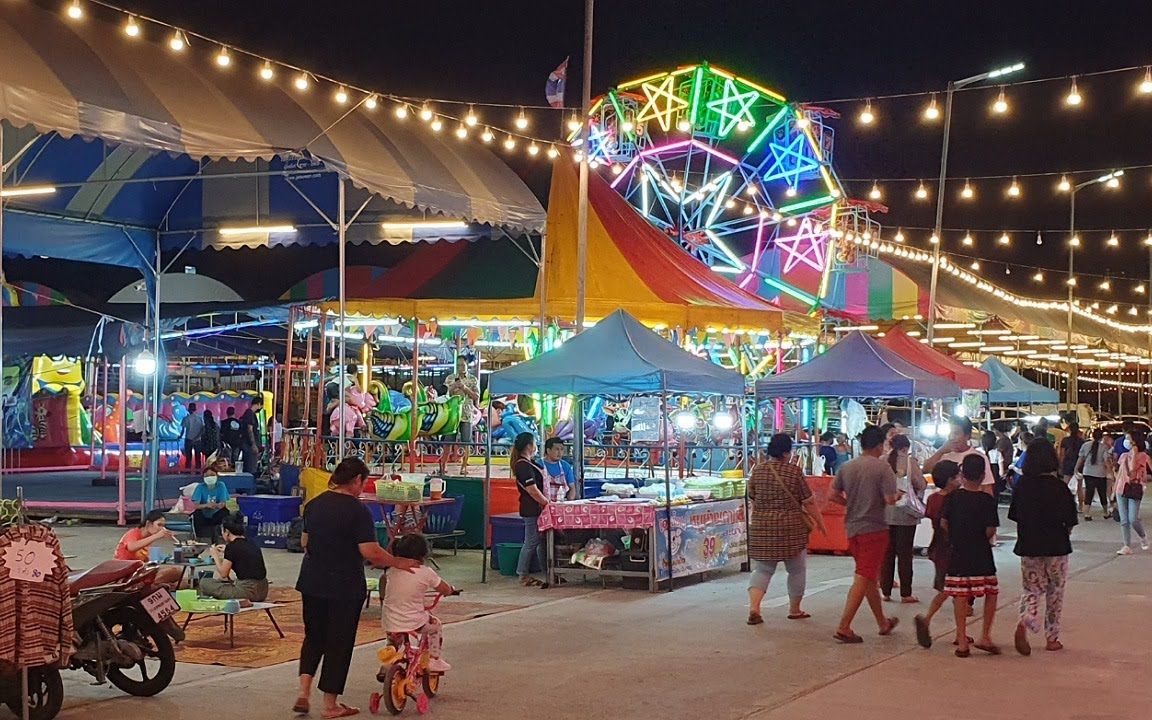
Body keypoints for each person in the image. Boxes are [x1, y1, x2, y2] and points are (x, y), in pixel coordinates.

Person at [294, 457, 418, 719]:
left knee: (314, 637)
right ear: (356, 481)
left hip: (312, 580)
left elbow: (305, 541)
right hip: (343, 585)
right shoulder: (357, 511)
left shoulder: (314, 505)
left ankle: (303, 692)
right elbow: (370, 551)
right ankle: (330, 705)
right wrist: (397, 562)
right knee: (339, 643)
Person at [830, 426, 900, 644]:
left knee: (869, 577)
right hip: (875, 528)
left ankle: (882, 622)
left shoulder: (847, 466)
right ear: (880, 445)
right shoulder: (883, 468)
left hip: (852, 528)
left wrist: (850, 503)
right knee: (863, 577)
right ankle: (844, 626)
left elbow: (832, 495)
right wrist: (898, 495)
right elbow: (889, 499)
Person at [747, 434, 825, 626]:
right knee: (797, 569)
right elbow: (808, 502)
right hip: (791, 528)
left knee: (763, 569)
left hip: (762, 527)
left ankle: (755, 608)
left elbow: (752, 497)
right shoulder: (794, 472)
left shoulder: (757, 470)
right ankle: (794, 609)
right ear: (786, 452)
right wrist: (820, 523)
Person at [1008, 438, 1077, 655]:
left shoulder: (1022, 487)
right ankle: (1052, 637)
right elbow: (1070, 521)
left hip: (1029, 545)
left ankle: (1025, 620)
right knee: (1055, 592)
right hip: (1056, 546)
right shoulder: (1060, 488)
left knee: (1031, 588)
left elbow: (1015, 516)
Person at [941, 454, 1001, 657]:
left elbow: (944, 523)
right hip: (981, 551)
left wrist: (956, 536)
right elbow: (991, 529)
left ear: (962, 474)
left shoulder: (952, 498)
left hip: (958, 550)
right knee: (990, 592)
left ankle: (962, 639)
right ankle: (985, 636)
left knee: (960, 595)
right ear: (983, 475)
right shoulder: (987, 500)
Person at [381, 534, 455, 674]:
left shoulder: (391, 570)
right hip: (414, 621)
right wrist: (450, 591)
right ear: (423, 554)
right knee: (435, 625)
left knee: (394, 641)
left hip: (390, 620)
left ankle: (387, 665)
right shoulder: (426, 572)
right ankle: (434, 659)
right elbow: (443, 588)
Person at [914, 459, 962, 648]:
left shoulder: (933, 498)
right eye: (957, 476)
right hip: (953, 549)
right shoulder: (956, 499)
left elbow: (929, 515)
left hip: (937, 549)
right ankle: (931, 621)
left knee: (949, 590)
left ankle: (959, 632)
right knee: (955, 592)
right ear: (951, 480)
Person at [881, 434, 927, 604]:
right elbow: (921, 484)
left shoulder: (881, 460)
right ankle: (906, 594)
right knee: (905, 554)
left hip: (885, 513)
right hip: (905, 514)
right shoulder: (910, 462)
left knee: (887, 554)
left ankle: (885, 592)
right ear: (905, 448)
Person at [201, 514, 269, 602]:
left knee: (205, 583)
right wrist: (227, 552)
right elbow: (241, 555)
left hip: (247, 591)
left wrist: (215, 555)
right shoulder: (251, 543)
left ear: (227, 532)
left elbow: (223, 574)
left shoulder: (232, 547)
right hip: (263, 590)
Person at [512, 432, 549, 588]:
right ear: (529, 445)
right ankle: (522, 574)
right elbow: (532, 489)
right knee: (531, 542)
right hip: (531, 508)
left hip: (539, 508)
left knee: (541, 541)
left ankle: (547, 572)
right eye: (535, 443)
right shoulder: (522, 465)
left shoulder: (531, 463)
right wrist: (546, 502)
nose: (536, 445)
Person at [923, 417, 995, 495]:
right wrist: (941, 451)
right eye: (950, 433)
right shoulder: (943, 454)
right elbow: (926, 469)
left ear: (967, 436)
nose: (951, 437)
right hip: (945, 504)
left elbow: (987, 487)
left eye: (956, 433)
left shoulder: (978, 457)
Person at [1113, 433, 1149, 555]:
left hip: (1134, 489)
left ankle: (1143, 536)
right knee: (1124, 520)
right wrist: (1113, 491)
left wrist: (1133, 453)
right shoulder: (1123, 456)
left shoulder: (1142, 456)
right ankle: (1126, 545)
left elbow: (1132, 471)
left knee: (1133, 518)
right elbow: (1120, 474)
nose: (1126, 441)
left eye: (1129, 439)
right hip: (1121, 489)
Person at [444, 357, 480, 475]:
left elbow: (476, 397)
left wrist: (464, 388)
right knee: (448, 440)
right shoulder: (450, 378)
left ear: (467, 366)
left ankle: (464, 467)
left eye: (463, 365)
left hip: (466, 413)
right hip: (453, 414)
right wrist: (454, 386)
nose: (460, 367)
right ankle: (443, 465)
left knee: (466, 441)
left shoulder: (473, 380)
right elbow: (448, 394)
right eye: (458, 365)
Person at [1076, 428, 1112, 521]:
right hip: (1100, 473)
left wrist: (1076, 469)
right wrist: (1110, 472)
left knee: (1089, 492)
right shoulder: (1104, 447)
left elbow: (1081, 458)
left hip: (1088, 472)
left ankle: (1087, 513)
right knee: (1102, 492)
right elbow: (1106, 461)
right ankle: (1105, 512)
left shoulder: (1085, 445)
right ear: (1101, 437)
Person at [191, 469, 230, 542]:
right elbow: (196, 505)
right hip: (204, 513)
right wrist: (206, 505)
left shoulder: (221, 485)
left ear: (217, 476)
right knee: (196, 514)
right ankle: (198, 539)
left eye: (212, 475)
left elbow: (223, 503)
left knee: (225, 513)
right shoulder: (200, 487)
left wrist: (217, 505)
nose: (210, 477)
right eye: (207, 476)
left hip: (216, 513)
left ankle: (223, 537)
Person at [1058, 422, 1085, 513]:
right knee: (1079, 486)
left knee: (1064, 486)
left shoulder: (1065, 440)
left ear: (1069, 429)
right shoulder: (1082, 441)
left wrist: (1061, 465)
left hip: (1068, 464)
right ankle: (1081, 506)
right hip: (1079, 465)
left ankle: (1063, 504)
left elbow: (1062, 454)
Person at [541, 437, 574, 502]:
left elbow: (572, 488)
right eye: (557, 449)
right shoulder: (538, 464)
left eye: (562, 449)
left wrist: (569, 502)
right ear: (548, 450)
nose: (560, 452)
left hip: (561, 504)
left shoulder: (566, 466)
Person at [240, 397, 264, 475]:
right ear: (258, 404)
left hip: (248, 445)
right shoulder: (250, 414)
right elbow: (249, 429)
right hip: (249, 446)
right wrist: (253, 444)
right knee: (251, 467)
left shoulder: (248, 414)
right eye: (261, 406)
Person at [181, 402, 204, 471]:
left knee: (188, 457)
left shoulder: (186, 418)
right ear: (195, 409)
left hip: (189, 439)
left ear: (188, 409)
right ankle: (198, 470)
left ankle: (188, 470)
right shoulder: (200, 418)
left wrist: (180, 436)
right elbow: (202, 429)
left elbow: (183, 430)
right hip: (198, 440)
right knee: (198, 456)